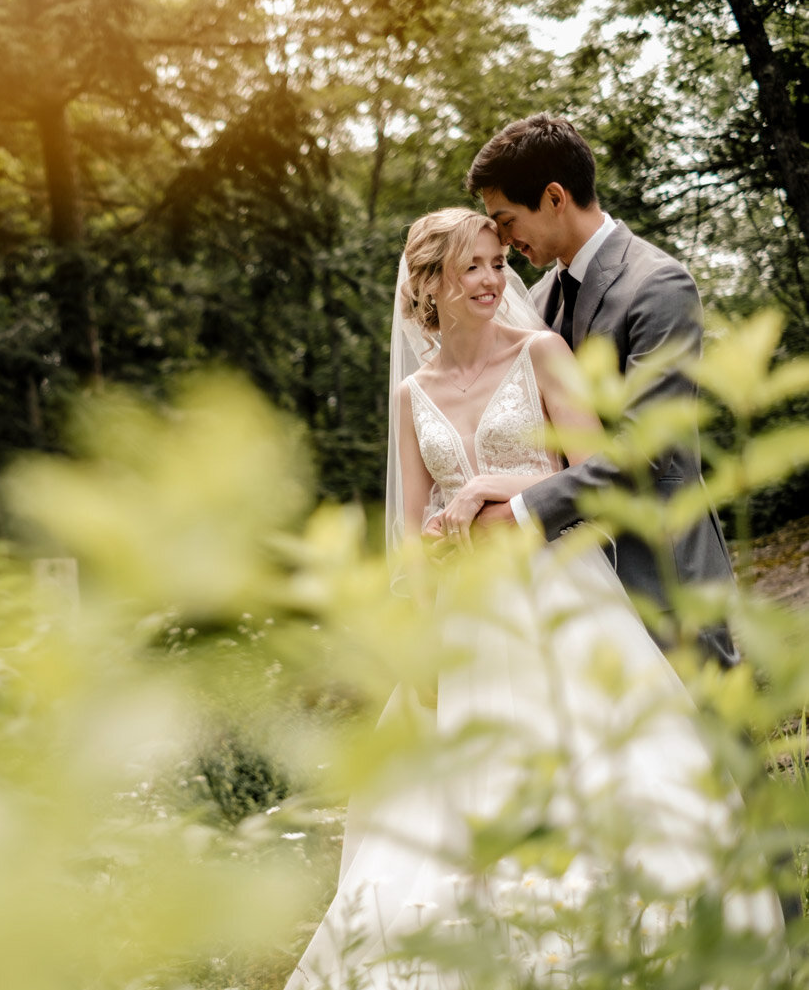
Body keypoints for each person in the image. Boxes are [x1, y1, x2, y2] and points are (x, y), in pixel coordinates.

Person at [283, 208, 780, 990]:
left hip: (562, 593)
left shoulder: (541, 353)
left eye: (494, 261)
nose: (491, 279)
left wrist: (492, 485)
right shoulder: (414, 392)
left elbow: (596, 471)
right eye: (471, 267)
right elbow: (410, 529)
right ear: (429, 286)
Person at [466, 113, 738, 668]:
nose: (504, 238)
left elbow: (643, 450)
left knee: (711, 747)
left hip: (664, 574)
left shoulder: (656, 284)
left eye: (506, 218)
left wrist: (519, 512)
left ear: (554, 196)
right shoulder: (534, 300)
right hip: (574, 588)